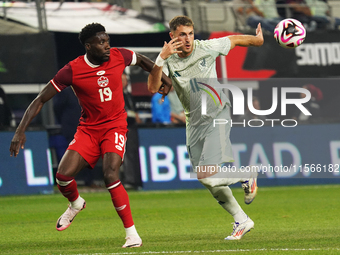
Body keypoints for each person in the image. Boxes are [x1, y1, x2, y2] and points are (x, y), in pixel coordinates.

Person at [9, 23, 171, 248]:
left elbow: (143, 60)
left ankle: (132, 234)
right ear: (88, 46)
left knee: (110, 175)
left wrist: (162, 75)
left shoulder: (119, 55)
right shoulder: (72, 70)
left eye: (107, 40)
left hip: (115, 126)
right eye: (101, 42)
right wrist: (20, 131)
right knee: (63, 177)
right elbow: (40, 100)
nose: (107, 46)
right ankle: (76, 203)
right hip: (88, 129)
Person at [148, 15, 261, 240]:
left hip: (217, 113)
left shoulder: (207, 47)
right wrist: (161, 58)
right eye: (182, 34)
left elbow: (236, 39)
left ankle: (246, 174)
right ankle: (242, 220)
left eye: (190, 33)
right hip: (194, 123)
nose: (188, 39)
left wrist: (258, 40)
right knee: (207, 180)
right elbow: (153, 87)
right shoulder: (168, 61)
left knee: (206, 175)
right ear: (172, 36)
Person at [120, 72, 143, 190]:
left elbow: (133, 110)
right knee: (126, 154)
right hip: (123, 128)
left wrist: (136, 116)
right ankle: (128, 180)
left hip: (133, 127)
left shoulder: (128, 95)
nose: (125, 83)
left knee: (134, 153)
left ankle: (136, 179)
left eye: (126, 80)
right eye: (123, 80)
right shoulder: (117, 95)